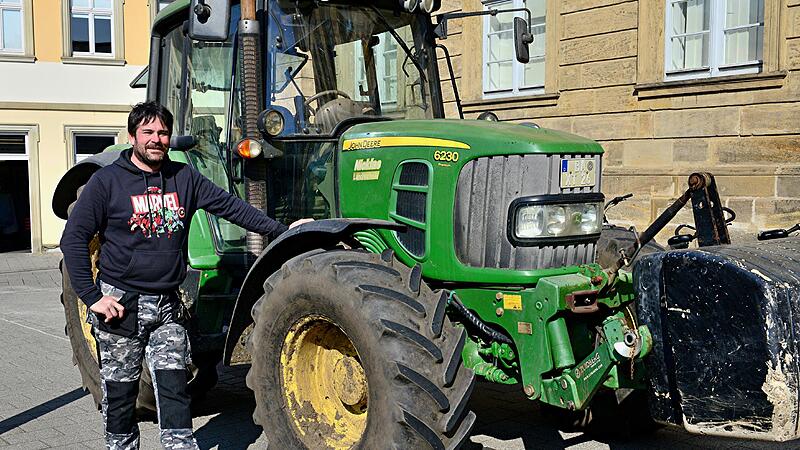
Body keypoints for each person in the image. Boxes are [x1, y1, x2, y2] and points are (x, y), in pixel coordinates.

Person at [61, 101, 310, 450]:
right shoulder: (106, 182)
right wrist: (92, 297)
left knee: (176, 389)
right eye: (148, 132)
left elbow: (232, 207)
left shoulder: (184, 177)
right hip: (121, 307)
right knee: (120, 393)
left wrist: (283, 231)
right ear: (132, 136)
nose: (156, 139)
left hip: (167, 307)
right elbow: (73, 239)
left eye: (162, 132)